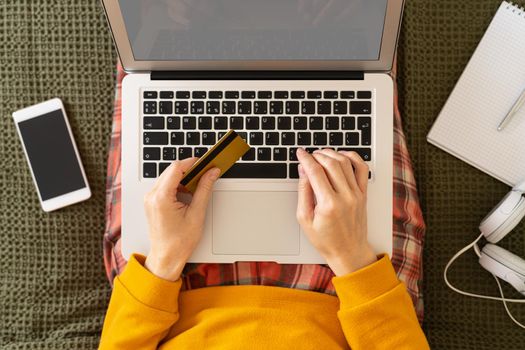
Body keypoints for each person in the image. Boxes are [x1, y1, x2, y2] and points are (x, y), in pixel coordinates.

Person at [100, 148, 429, 349]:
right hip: (349, 295)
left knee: (157, 67)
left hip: (168, 288)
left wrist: (164, 258)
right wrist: (353, 259)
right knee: (358, 68)